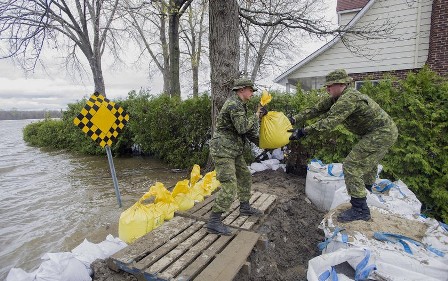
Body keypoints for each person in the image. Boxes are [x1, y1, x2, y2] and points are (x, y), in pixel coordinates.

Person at [288, 69, 398, 222]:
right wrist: (293, 119)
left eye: (329, 86)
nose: (327, 89)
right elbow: (316, 109)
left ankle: (360, 209)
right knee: (368, 164)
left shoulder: (348, 99)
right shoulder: (336, 97)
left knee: (351, 166)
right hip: (375, 132)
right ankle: (365, 192)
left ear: (341, 84)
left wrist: (302, 132)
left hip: (382, 132)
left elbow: (329, 122)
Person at [207, 77, 267, 235]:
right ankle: (214, 222)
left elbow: (247, 131)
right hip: (223, 150)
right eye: (251, 90)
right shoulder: (234, 104)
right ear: (242, 90)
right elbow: (241, 128)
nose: (253, 93)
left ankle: (245, 207)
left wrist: (265, 142)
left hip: (233, 149)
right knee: (229, 184)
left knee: (245, 175)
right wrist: (256, 116)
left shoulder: (240, 105)